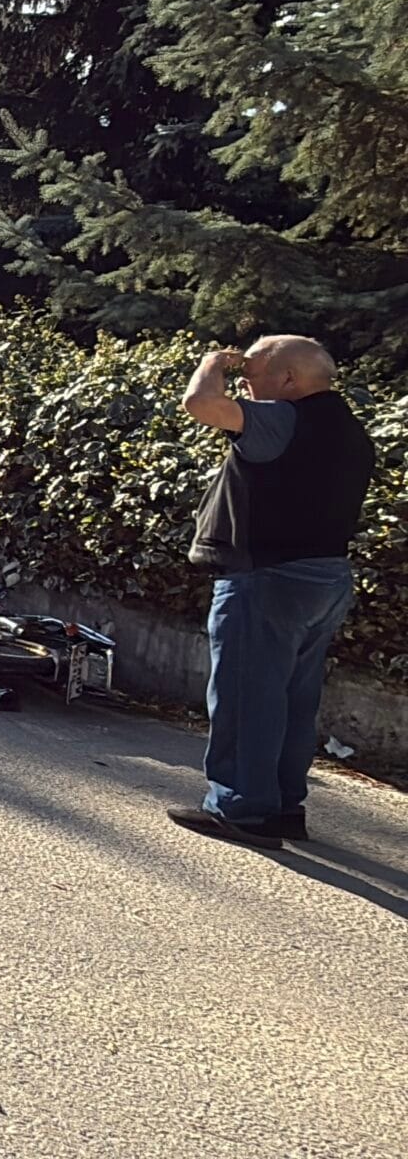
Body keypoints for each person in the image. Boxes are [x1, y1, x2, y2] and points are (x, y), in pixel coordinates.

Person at [166, 336, 376, 850]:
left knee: (246, 696)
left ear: (289, 379)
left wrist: (211, 362)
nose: (242, 382)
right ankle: (282, 806)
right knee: (292, 700)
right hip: (325, 578)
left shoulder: (283, 418)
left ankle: (241, 808)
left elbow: (200, 403)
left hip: (268, 578)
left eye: (251, 373)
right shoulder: (350, 428)